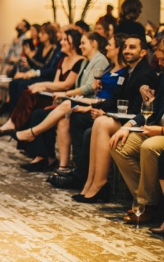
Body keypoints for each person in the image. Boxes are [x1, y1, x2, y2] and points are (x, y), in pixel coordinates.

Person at [72, 36, 157, 203]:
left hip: (139, 121)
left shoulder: (145, 74)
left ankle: (100, 183)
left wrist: (107, 114)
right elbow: (116, 98)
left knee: (102, 123)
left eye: (132, 47)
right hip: (125, 117)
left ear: (143, 52)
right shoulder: (129, 71)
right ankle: (91, 181)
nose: (127, 50)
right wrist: (100, 109)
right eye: (125, 47)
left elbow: (139, 110)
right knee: (99, 122)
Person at [12, 32, 109, 171]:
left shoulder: (100, 60)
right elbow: (76, 85)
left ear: (93, 43)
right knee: (41, 113)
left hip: (88, 102)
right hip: (78, 100)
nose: (80, 46)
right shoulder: (86, 61)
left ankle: (33, 135)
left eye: (83, 43)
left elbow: (89, 87)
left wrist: (66, 94)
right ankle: (50, 160)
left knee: (54, 113)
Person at [45, 33, 127, 187]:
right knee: (69, 116)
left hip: (104, 108)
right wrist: (97, 88)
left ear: (118, 49)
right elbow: (97, 88)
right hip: (97, 103)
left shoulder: (123, 71)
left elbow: (115, 97)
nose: (106, 47)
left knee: (73, 112)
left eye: (110, 44)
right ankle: (71, 166)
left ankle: (79, 173)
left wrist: (93, 107)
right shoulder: (109, 66)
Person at [109, 43, 164, 224]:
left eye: (163, 60)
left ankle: (147, 204)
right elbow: (153, 107)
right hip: (155, 126)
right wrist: (127, 126)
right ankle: (148, 201)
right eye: (159, 59)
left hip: (161, 131)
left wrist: (161, 130)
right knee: (119, 144)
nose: (160, 63)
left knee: (149, 147)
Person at [0, 29, 84, 138]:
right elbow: (56, 83)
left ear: (73, 43)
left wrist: (43, 85)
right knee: (29, 92)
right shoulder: (63, 60)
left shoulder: (80, 61)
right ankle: (16, 127)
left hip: (65, 98)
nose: (61, 42)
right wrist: (42, 87)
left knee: (30, 95)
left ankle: (14, 126)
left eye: (65, 40)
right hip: (55, 94)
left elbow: (67, 85)